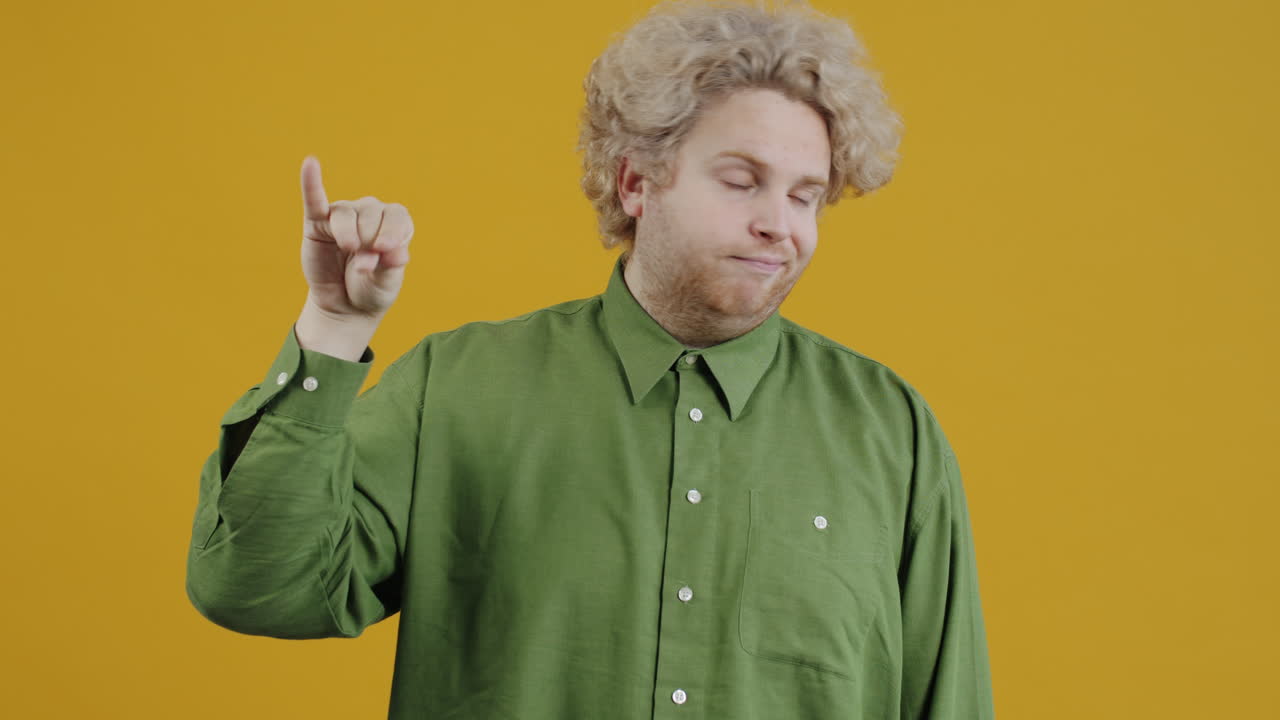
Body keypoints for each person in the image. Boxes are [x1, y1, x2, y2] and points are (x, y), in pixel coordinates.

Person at [185, 0, 994, 717]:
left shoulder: (892, 433)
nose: (779, 223)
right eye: (742, 181)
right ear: (638, 182)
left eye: (804, 195)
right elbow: (255, 586)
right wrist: (331, 326)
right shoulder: (460, 388)